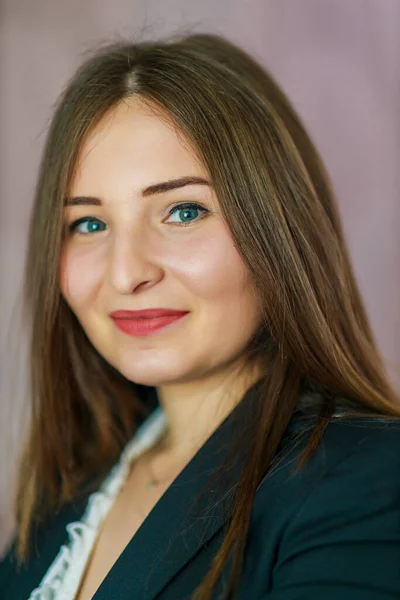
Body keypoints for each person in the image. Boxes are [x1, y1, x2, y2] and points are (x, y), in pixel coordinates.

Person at [1, 30, 400, 600]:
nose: (125, 273)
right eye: (89, 224)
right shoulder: (62, 501)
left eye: (183, 211)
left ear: (276, 230)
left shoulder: (367, 479)